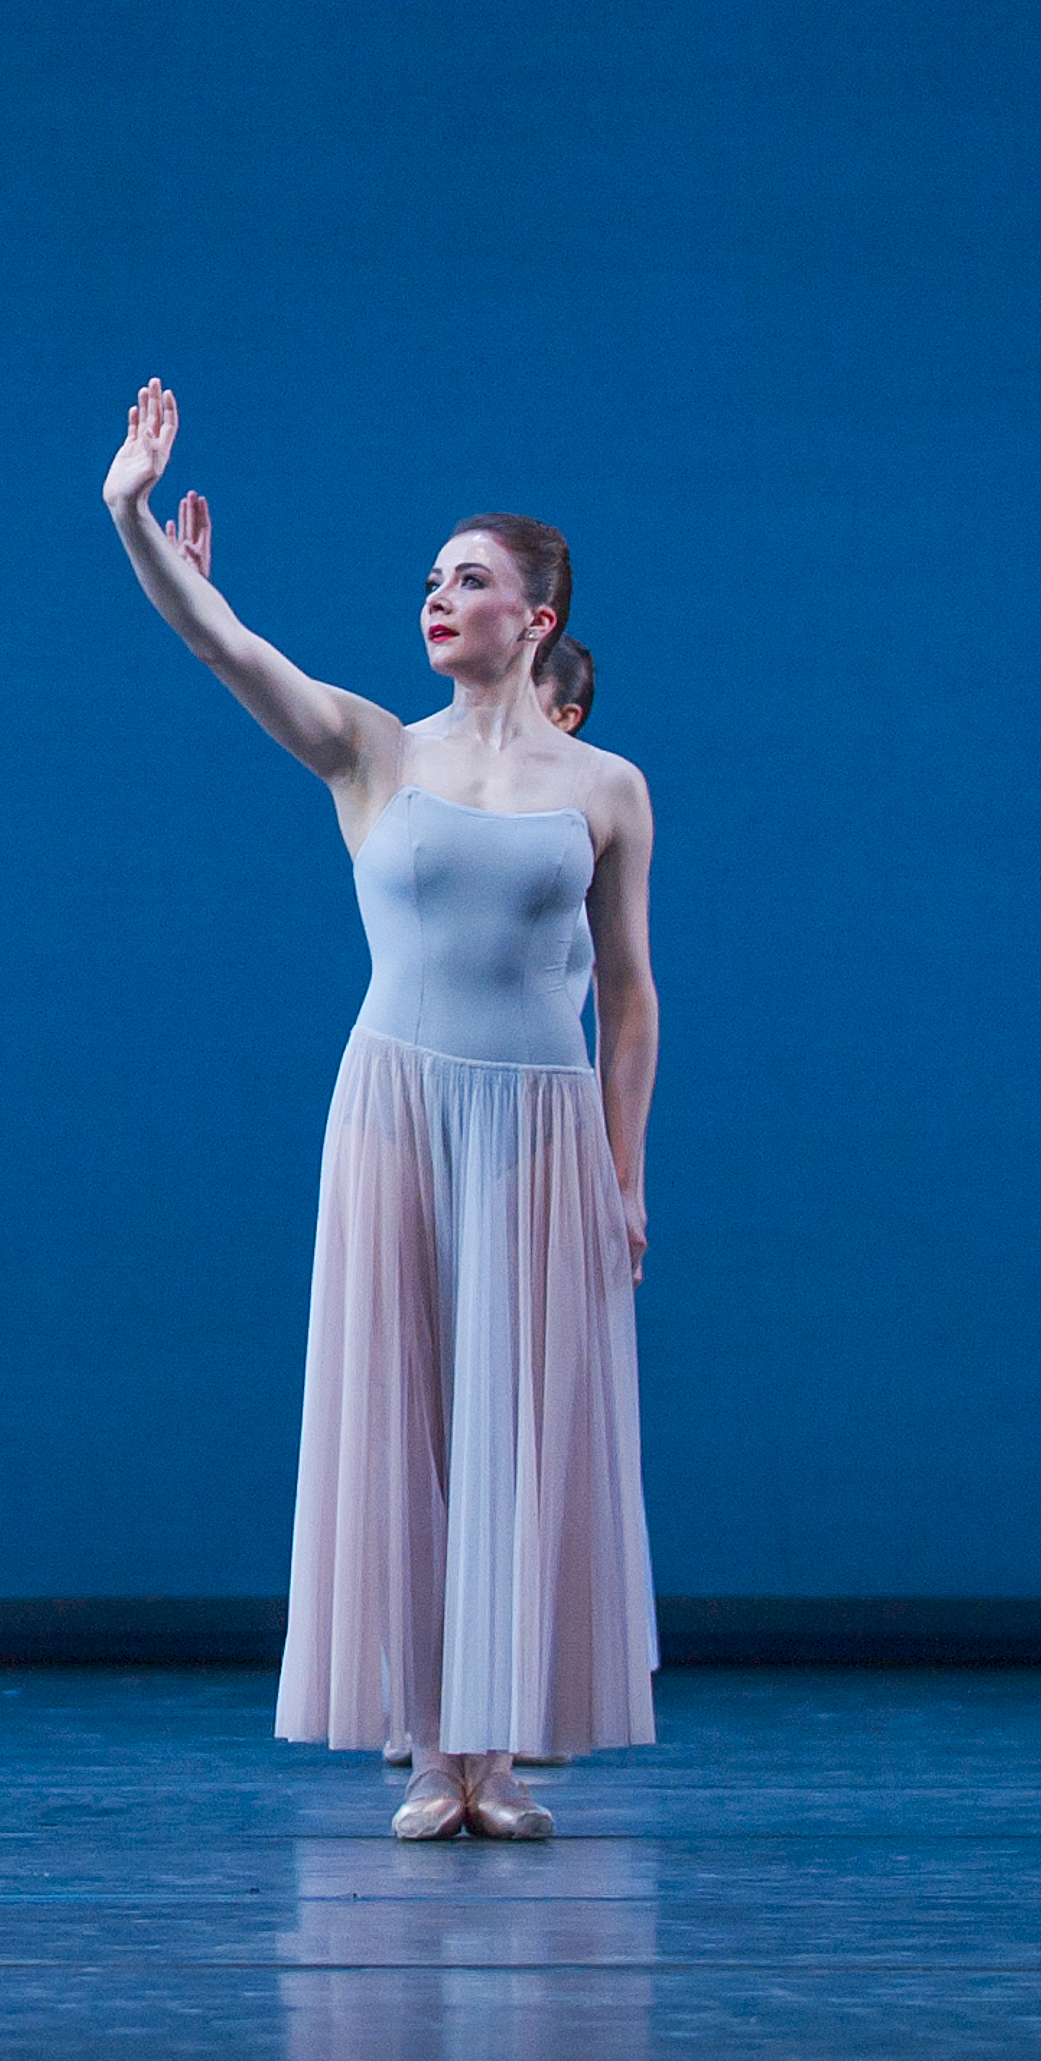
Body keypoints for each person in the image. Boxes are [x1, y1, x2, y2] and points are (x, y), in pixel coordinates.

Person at [103, 385, 658, 1837]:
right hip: (399, 1107)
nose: (440, 598)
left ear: (536, 619)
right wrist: (135, 522)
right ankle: (426, 1743)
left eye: (469, 580)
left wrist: (626, 1168)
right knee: (407, 1411)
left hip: (539, 1127)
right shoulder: (374, 750)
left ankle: (500, 1741)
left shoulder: (606, 787)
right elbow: (225, 648)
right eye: (430, 581)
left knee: (515, 1421)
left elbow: (631, 993)